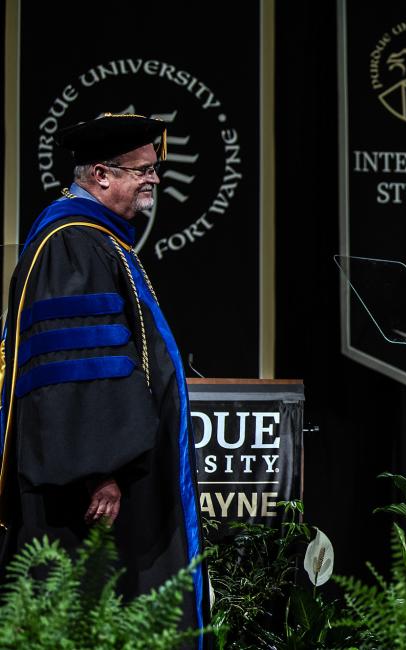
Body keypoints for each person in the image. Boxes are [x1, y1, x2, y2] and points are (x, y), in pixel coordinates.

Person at [0, 114, 206, 640]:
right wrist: (101, 468)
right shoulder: (73, 244)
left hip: (102, 478)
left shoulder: (96, 241)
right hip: (90, 492)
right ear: (101, 175)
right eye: (143, 170)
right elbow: (76, 371)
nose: (154, 180)